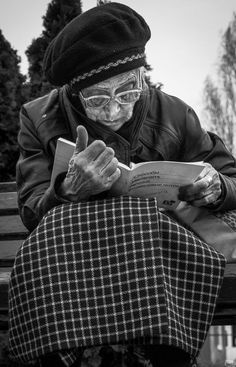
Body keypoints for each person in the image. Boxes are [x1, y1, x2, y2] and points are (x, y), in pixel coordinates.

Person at [8, 3, 236, 367]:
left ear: (141, 76)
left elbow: (230, 176)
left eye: (128, 91)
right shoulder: (39, 118)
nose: (114, 111)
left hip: (159, 257)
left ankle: (159, 357)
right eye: (97, 99)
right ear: (74, 92)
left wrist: (217, 186)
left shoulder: (174, 112)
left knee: (139, 218)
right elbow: (33, 211)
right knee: (66, 226)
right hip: (74, 260)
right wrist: (68, 190)